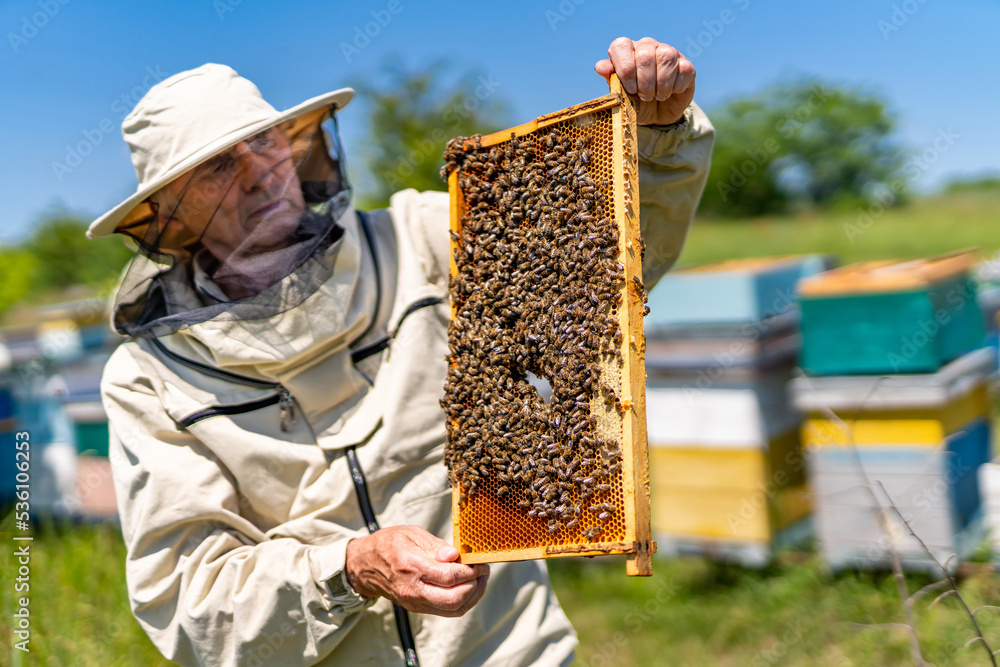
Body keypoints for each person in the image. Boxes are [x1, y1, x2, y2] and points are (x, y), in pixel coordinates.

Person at [91, 36, 715, 666]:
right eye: (219, 166)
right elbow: (188, 604)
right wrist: (349, 567)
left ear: (295, 145)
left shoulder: (421, 240)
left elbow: (599, 276)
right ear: (168, 211)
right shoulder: (150, 380)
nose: (259, 174)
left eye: (264, 142)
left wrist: (659, 138)